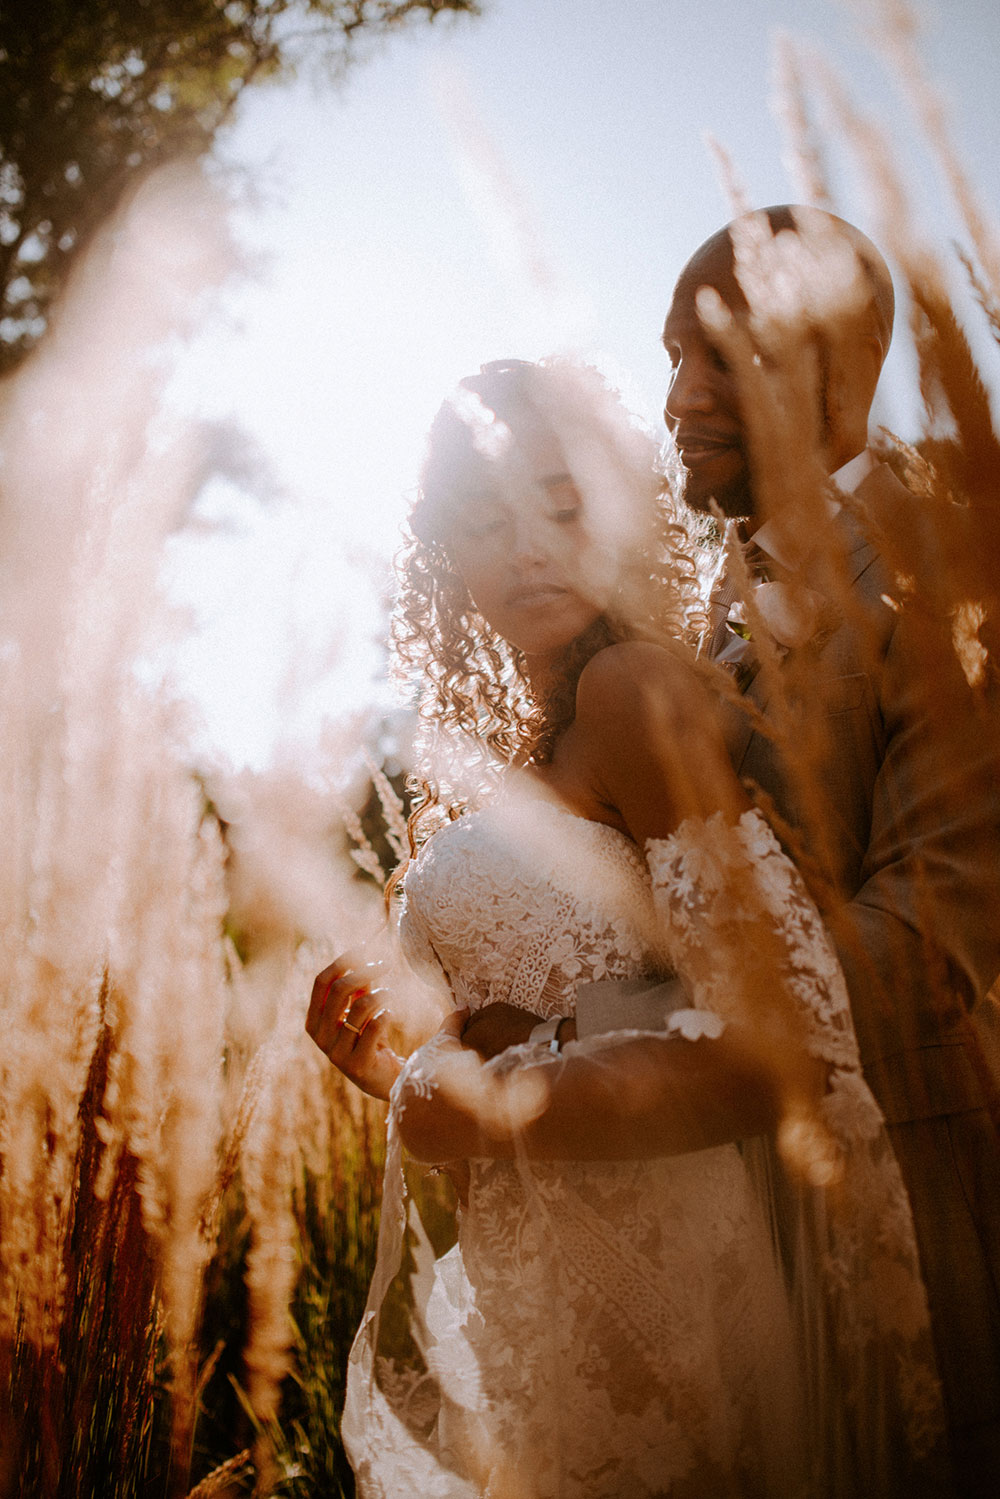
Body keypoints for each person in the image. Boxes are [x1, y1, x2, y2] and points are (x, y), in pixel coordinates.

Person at [307, 357, 945, 1497]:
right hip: (552, 1294)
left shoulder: (633, 694)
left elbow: (778, 1053)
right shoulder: (531, 745)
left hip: (671, 1289)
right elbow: (547, 1028)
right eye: (489, 518)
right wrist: (395, 1064)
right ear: (447, 552)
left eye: (564, 503)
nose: (532, 545)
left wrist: (487, 1106)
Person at [436, 207, 1000, 1494]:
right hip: (737, 1244)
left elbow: (925, 946)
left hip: (920, 1208)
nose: (678, 397)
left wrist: (590, 1050)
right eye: (668, 358)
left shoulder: (952, 582)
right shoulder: (706, 610)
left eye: (718, 359)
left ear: (834, 368)